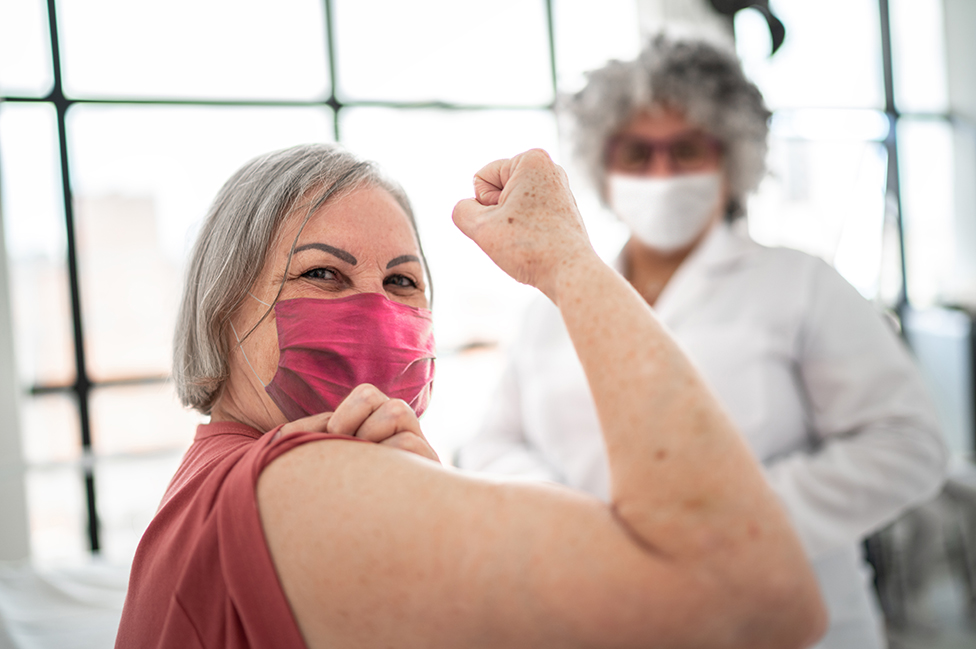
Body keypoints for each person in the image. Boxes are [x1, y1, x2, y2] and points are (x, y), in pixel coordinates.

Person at [116, 142, 826, 648]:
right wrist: (567, 260)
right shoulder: (296, 481)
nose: (374, 309)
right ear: (221, 307)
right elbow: (751, 599)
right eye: (324, 275)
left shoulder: (214, 481)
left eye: (402, 282)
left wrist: (415, 487)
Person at [457, 36, 947, 649]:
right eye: (637, 153)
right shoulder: (549, 305)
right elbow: (492, 444)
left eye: (686, 151)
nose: (661, 174)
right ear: (601, 167)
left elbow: (907, 444)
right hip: (605, 611)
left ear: (730, 161)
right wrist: (580, 526)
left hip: (791, 623)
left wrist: (727, 523)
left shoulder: (801, 284)